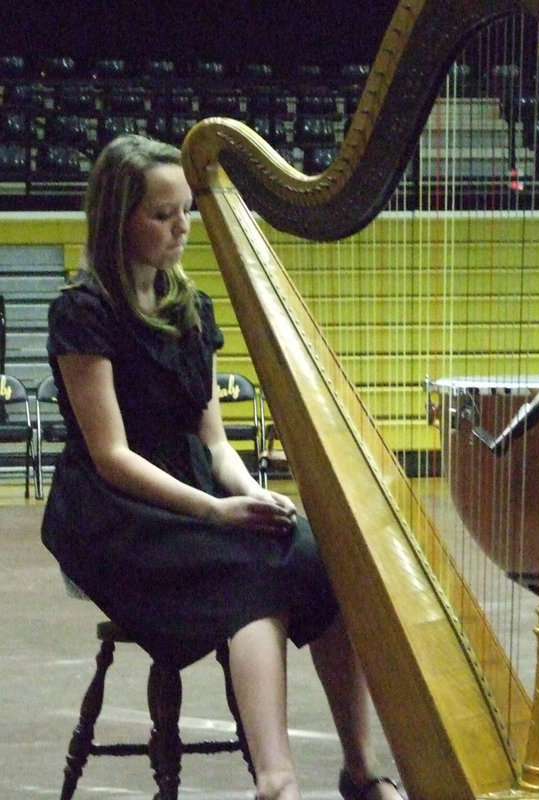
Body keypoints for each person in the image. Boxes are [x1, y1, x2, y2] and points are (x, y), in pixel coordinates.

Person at [41, 134, 403, 800]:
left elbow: (214, 442)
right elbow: (111, 456)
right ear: (117, 217)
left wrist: (249, 493)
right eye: (162, 214)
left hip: (195, 488)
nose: (182, 227)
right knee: (249, 570)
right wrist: (215, 510)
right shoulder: (82, 313)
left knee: (323, 558)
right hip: (113, 512)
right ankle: (276, 780)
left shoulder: (191, 307)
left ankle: (360, 770)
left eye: (186, 211)